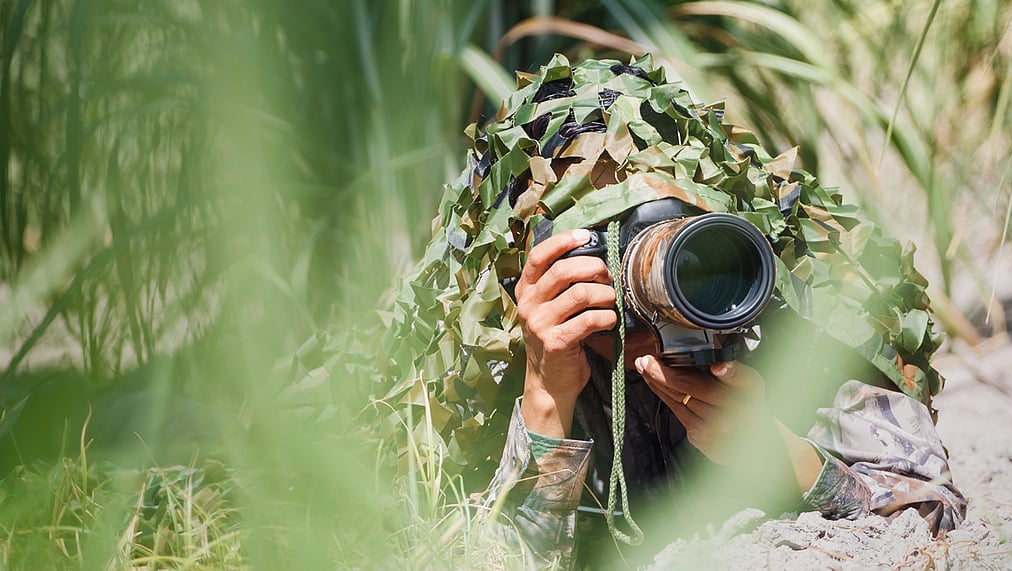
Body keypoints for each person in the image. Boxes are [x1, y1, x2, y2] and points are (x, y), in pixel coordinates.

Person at [392, 54, 965, 568]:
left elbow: (936, 518)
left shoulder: (773, 324)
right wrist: (545, 399)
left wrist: (783, 456)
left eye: (673, 234)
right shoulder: (506, 362)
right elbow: (478, 554)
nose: (651, 277)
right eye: (603, 243)